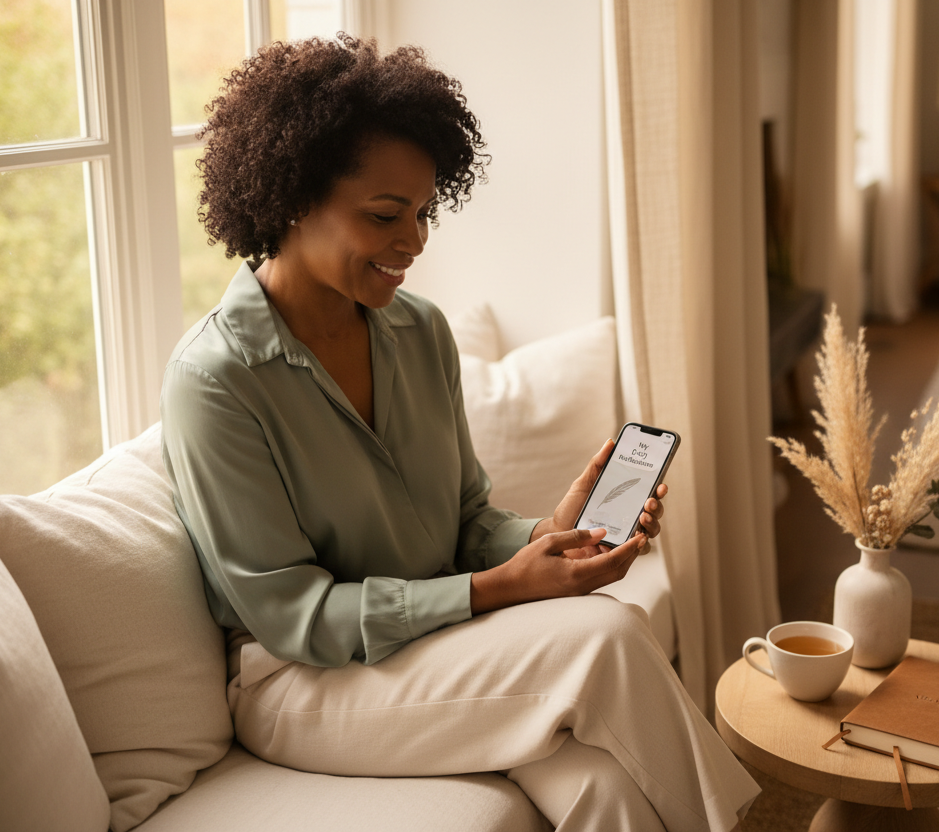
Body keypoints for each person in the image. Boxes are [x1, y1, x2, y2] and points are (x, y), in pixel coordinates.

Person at [161, 35, 758, 832]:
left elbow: (468, 520)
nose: (414, 242)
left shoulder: (418, 331)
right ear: (293, 195)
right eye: (384, 215)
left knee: (603, 791)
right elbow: (294, 617)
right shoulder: (217, 380)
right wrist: (496, 591)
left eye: (421, 212)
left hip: (439, 647)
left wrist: (554, 530)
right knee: (608, 635)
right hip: (302, 685)